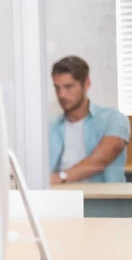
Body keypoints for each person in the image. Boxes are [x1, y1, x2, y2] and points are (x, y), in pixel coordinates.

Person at [49, 55, 130, 184]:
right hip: (62, 198)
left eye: (68, 87)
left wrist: (59, 177)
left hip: (101, 201)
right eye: (57, 88)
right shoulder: (51, 126)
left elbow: (99, 161)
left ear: (86, 84)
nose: (61, 95)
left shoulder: (113, 119)